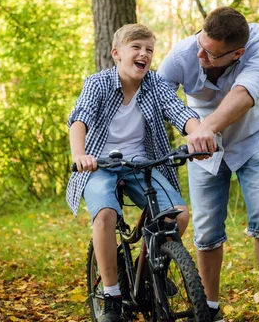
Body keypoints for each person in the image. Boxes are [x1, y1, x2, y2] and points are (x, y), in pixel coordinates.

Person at [158, 7, 259, 322]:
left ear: (237, 54)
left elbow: (243, 94)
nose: (201, 54)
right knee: (206, 230)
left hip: (251, 141)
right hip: (201, 148)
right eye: (201, 44)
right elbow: (158, 94)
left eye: (212, 54)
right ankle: (209, 308)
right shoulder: (182, 54)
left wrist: (207, 127)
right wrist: (194, 128)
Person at [66, 23, 202, 322]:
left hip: (141, 164)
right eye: (136, 48)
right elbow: (80, 119)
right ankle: (113, 294)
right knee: (105, 215)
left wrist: (198, 135)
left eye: (149, 49)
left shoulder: (155, 85)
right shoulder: (98, 83)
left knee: (177, 215)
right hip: (100, 164)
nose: (144, 54)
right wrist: (80, 155)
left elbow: (181, 113)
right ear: (117, 54)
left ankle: (153, 265)